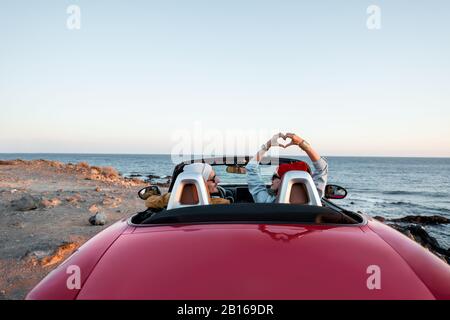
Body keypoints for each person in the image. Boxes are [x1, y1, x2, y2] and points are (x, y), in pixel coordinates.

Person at [246, 132, 328, 203]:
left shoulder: (267, 202)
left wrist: (267, 145)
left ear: (282, 183)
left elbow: (251, 168)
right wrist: (302, 144)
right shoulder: (316, 198)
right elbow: (322, 168)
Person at [145, 163, 230, 210]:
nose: (218, 181)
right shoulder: (221, 204)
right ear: (201, 182)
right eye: (213, 179)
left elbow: (149, 201)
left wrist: (151, 194)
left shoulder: (171, 199)